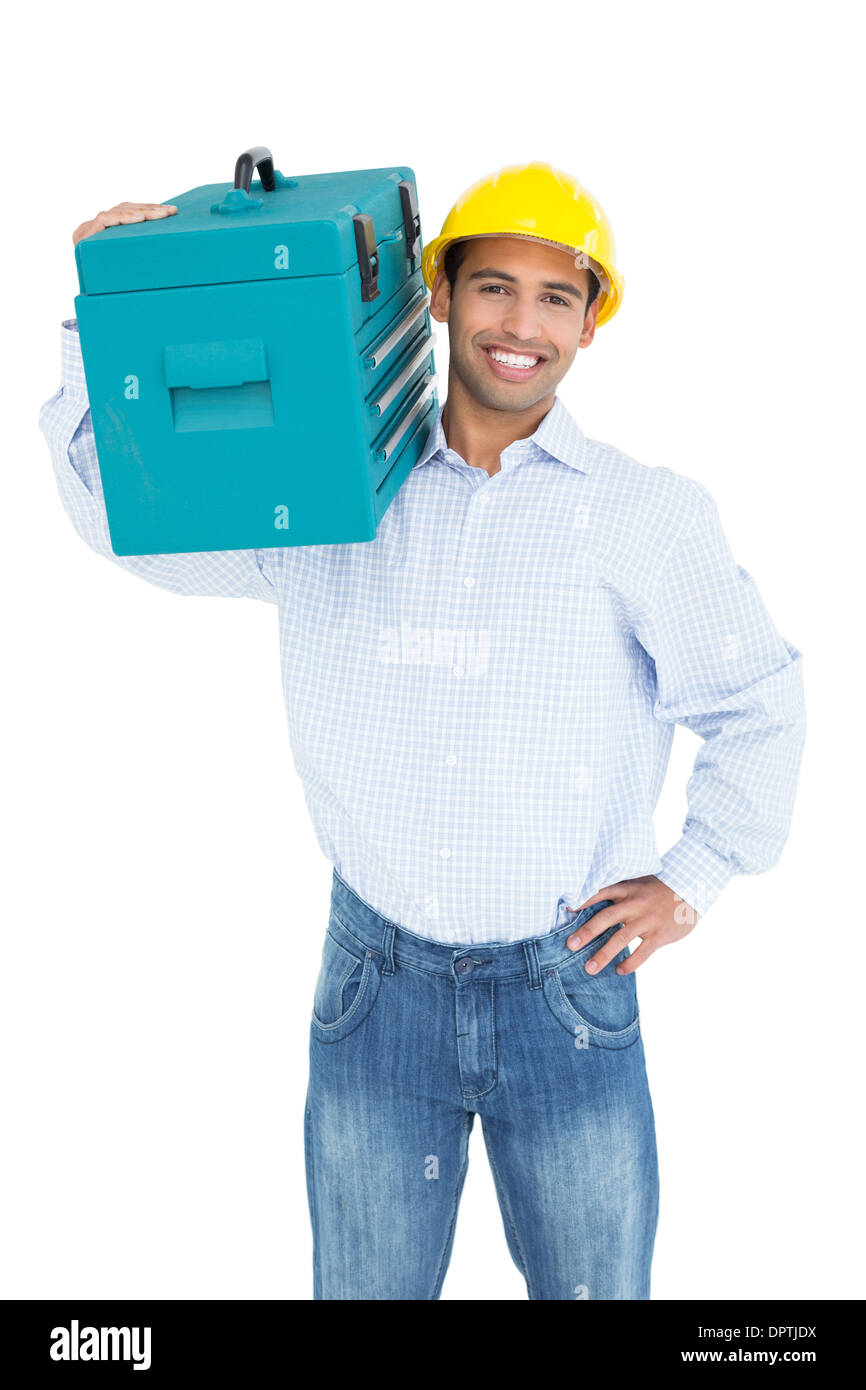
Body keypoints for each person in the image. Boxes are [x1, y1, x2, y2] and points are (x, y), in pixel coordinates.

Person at [40, 162, 806, 1300]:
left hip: (566, 996)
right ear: (436, 297)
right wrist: (108, 311)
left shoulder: (642, 515)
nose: (519, 324)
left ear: (590, 324)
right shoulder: (327, 495)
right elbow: (131, 519)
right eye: (492, 286)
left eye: (556, 297)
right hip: (375, 991)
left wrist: (689, 878)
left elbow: (756, 704)